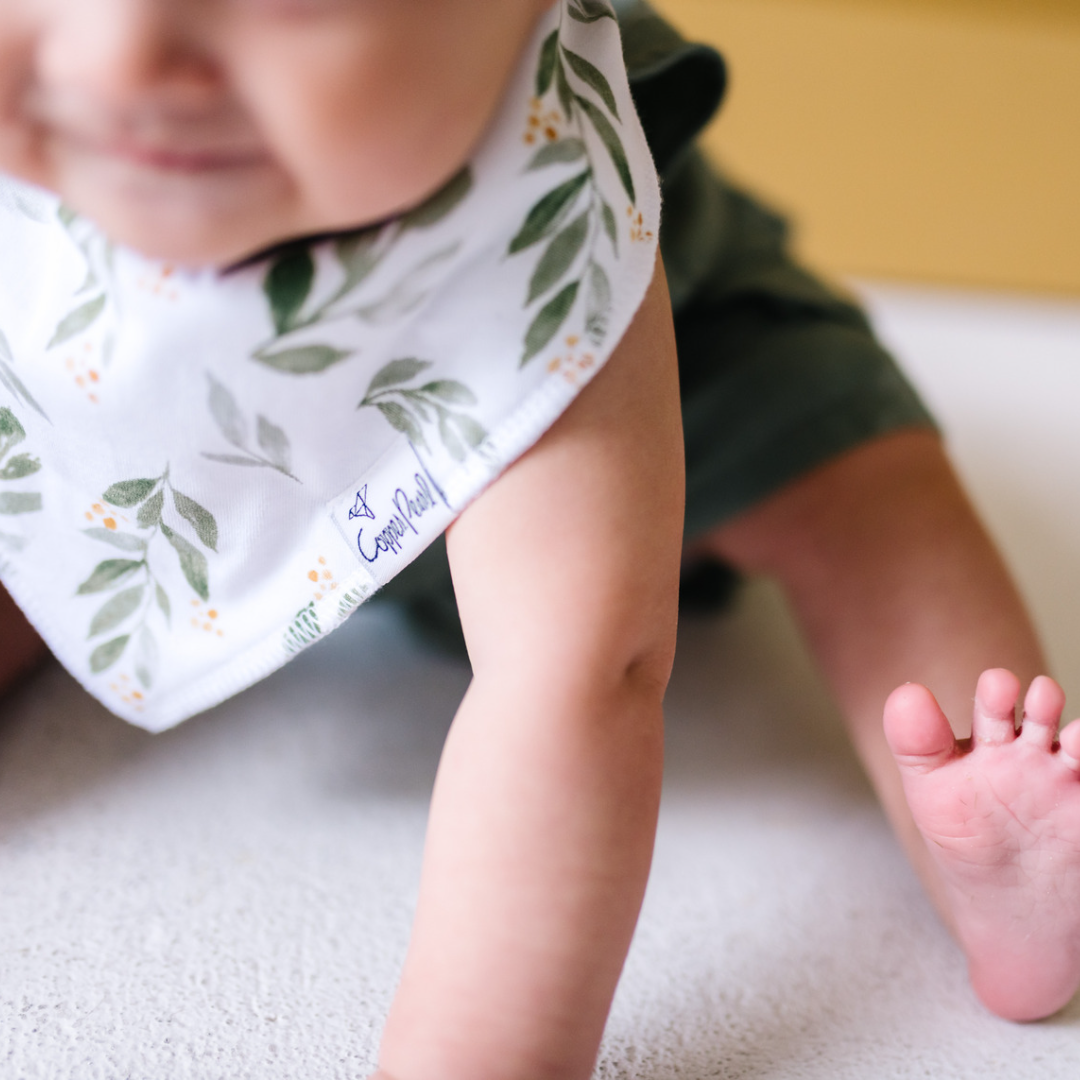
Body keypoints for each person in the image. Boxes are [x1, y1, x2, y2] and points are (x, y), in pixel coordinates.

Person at [0, 2, 1078, 1078]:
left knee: (866, 496)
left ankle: (1003, 848)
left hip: (680, 396)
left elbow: (579, 679)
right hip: (206, 443)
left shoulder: (547, 215)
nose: (118, 59)